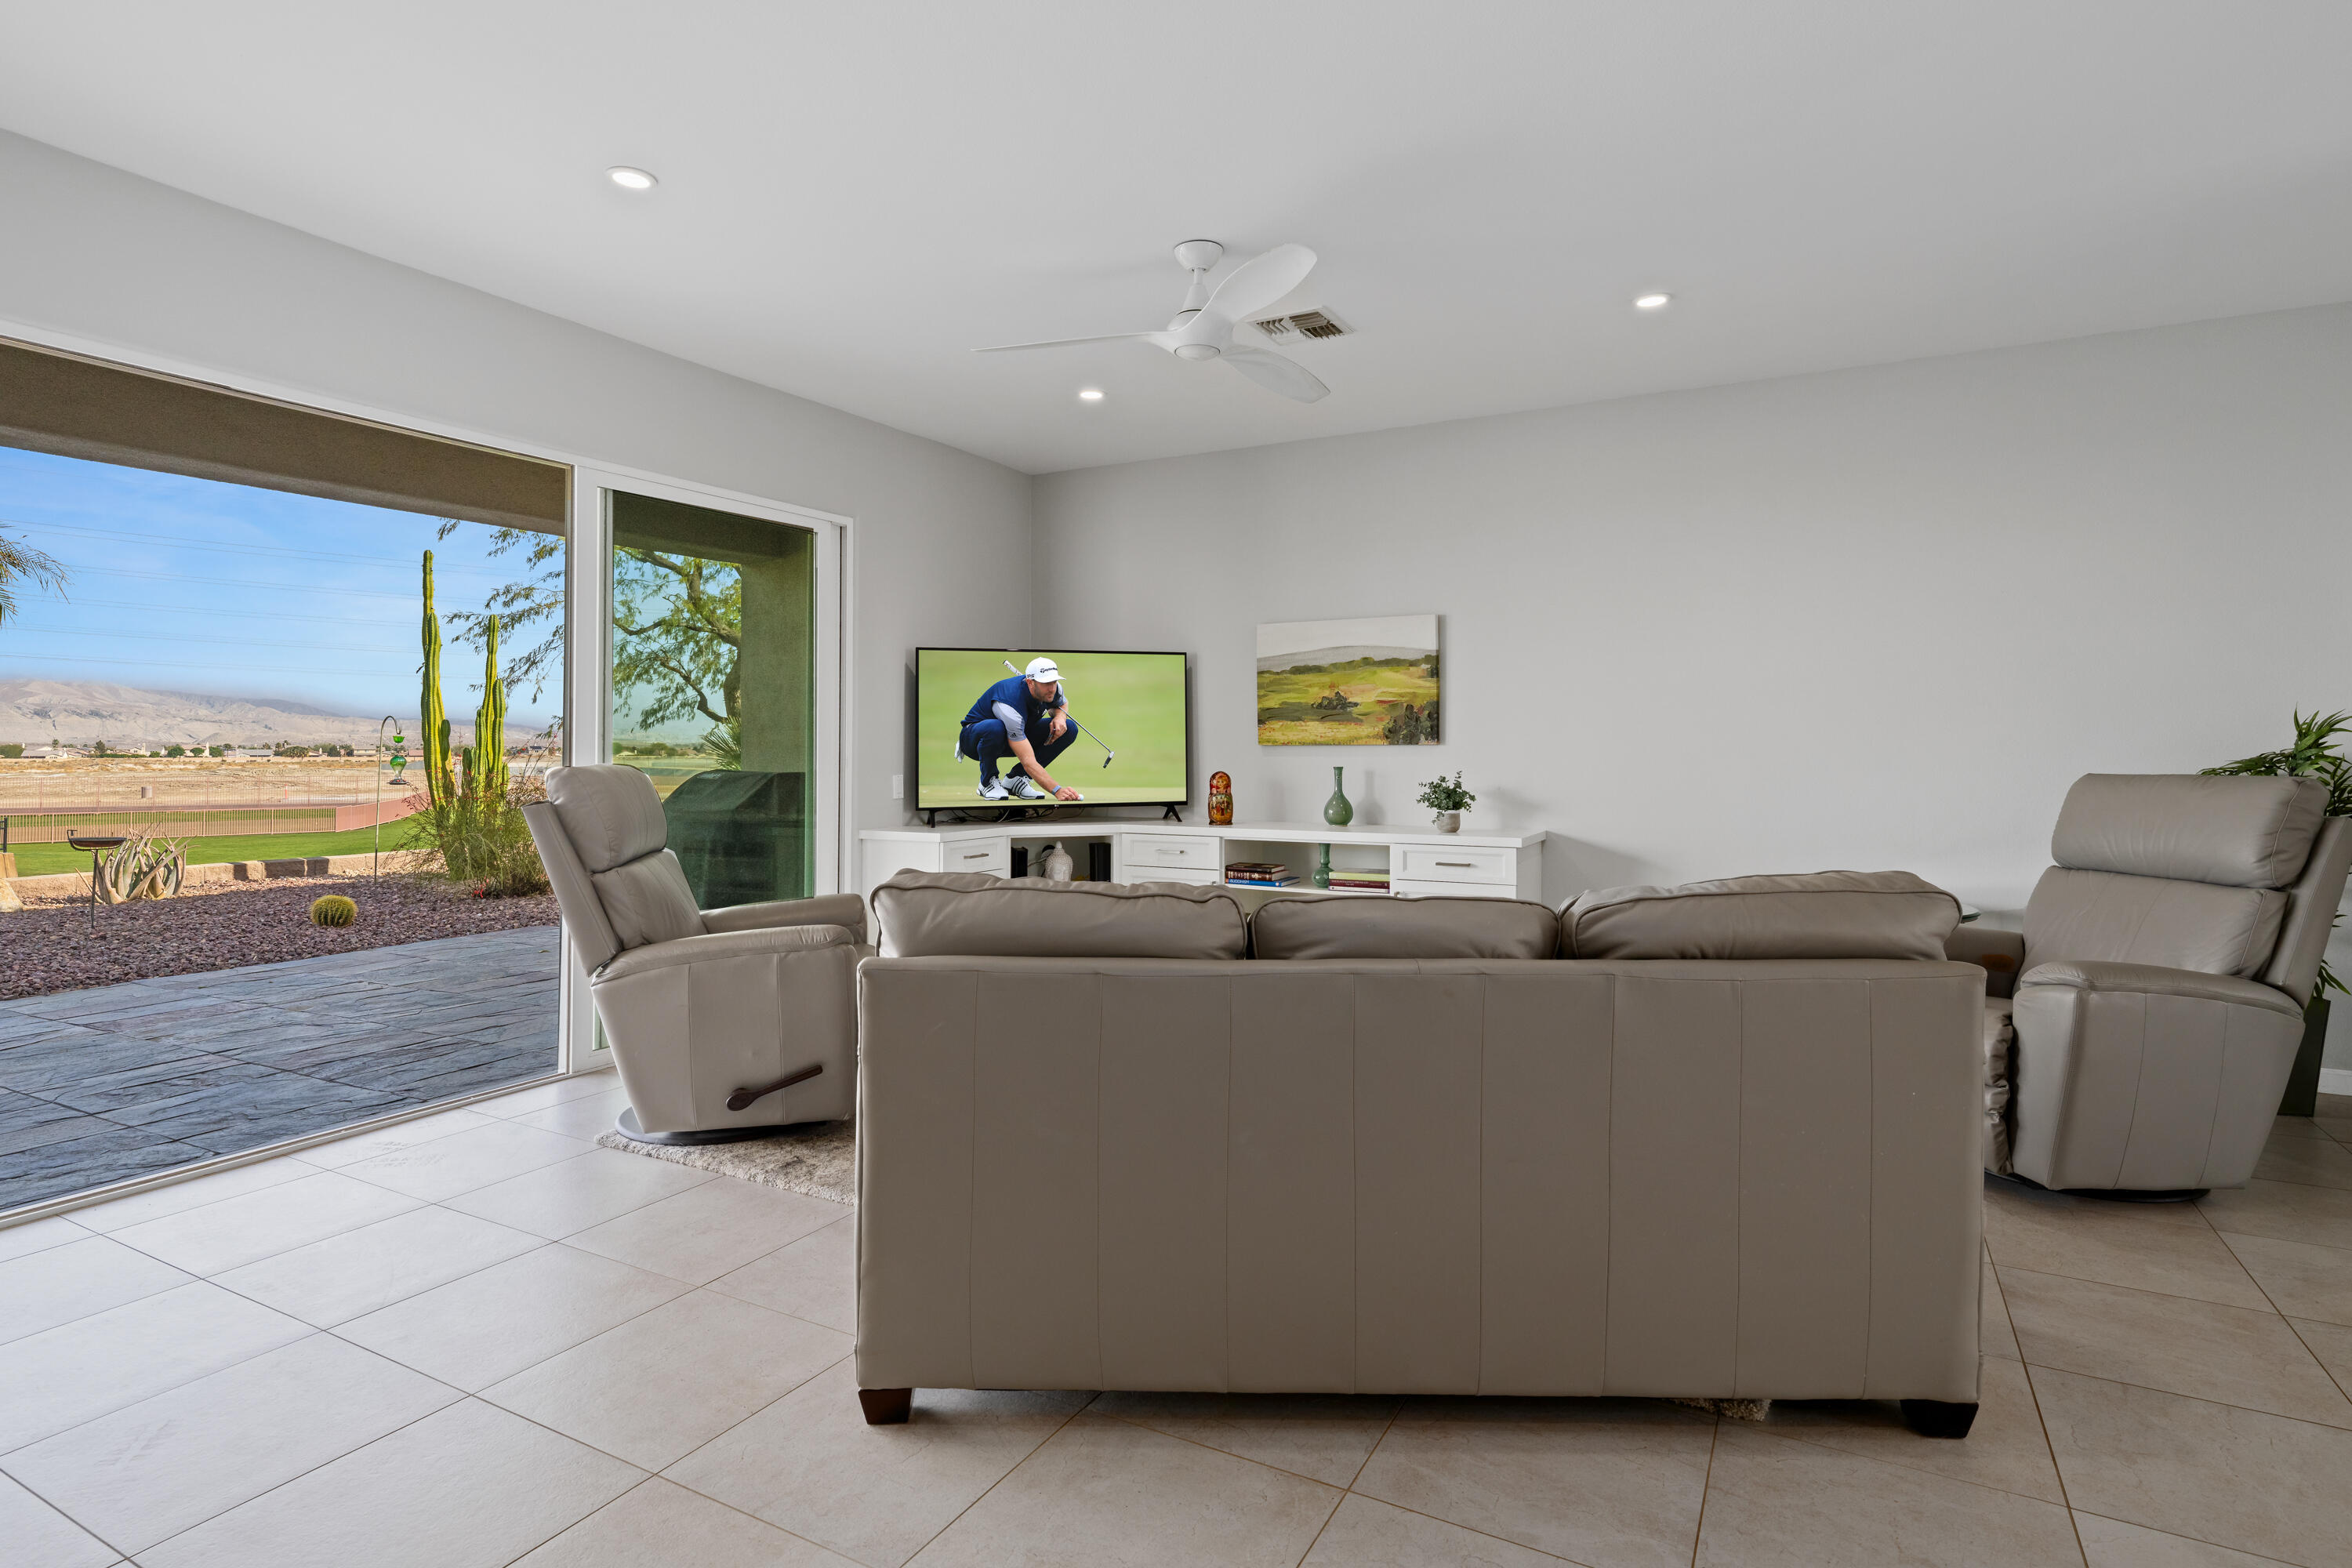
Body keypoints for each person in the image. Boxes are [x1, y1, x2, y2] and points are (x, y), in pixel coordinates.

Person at [959, 656, 1083, 801]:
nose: (1052, 688)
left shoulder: (1054, 690)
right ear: (1030, 682)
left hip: (1013, 733)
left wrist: (1060, 717)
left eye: (1054, 682)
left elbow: (1061, 704)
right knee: (995, 728)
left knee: (1069, 728)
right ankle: (987, 782)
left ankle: (1016, 780)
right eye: (1046, 683)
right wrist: (1057, 790)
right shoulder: (1010, 705)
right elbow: (1028, 760)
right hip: (974, 740)